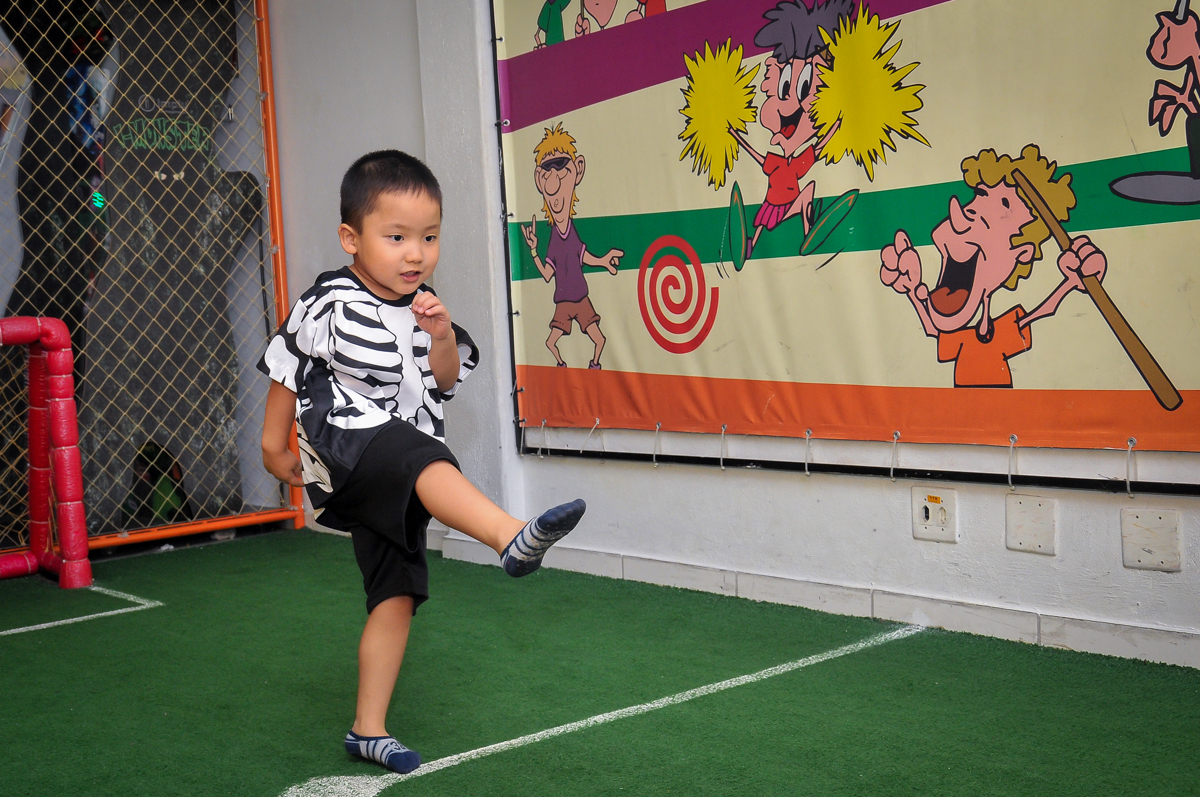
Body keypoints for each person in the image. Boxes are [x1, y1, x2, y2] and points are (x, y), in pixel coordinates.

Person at [259, 150, 585, 774]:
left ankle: (368, 729)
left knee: (396, 594)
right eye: (398, 237)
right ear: (351, 239)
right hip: (347, 444)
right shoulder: (328, 300)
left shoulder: (424, 305)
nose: (416, 253)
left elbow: (441, 385)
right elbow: (286, 369)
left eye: (429, 237)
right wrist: (274, 447)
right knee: (422, 454)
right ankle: (509, 536)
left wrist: (440, 334)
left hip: (397, 464)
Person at [521, 123, 622, 369]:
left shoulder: (572, 231)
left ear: (578, 170)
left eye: (561, 170)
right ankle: (561, 365)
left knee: (600, 340)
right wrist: (533, 249)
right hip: (564, 303)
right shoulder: (554, 237)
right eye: (546, 174)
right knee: (550, 343)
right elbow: (547, 274)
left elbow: (582, 255)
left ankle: (594, 365)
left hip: (582, 299)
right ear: (539, 180)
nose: (553, 185)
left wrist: (602, 260)